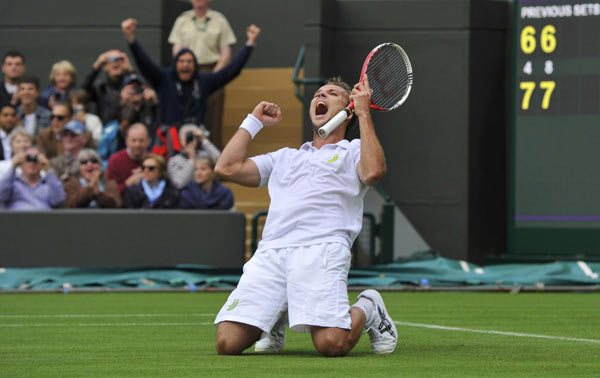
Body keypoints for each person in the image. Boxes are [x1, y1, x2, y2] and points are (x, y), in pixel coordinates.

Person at [213, 76, 397, 357]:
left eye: (333, 93)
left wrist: (363, 114)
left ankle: (370, 307)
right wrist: (254, 121)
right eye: (318, 93)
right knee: (227, 343)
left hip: (322, 249)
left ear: (347, 109)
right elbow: (226, 168)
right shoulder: (284, 157)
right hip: (272, 253)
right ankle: (275, 315)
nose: (321, 96)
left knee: (331, 345)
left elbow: (373, 173)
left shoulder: (354, 150)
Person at [121, 18, 260, 130]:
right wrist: (131, 39)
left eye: (189, 62)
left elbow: (231, 71)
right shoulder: (164, 79)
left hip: (195, 136)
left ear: (195, 66)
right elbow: (144, 63)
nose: (185, 65)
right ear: (175, 64)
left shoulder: (203, 82)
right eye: (181, 61)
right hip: (167, 136)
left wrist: (250, 44)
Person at [168, 0, 238, 148]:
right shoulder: (182, 20)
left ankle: (213, 160)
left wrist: (213, 78)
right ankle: (183, 153)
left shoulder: (219, 20)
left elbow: (225, 53)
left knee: (213, 117)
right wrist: (182, 69)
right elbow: (176, 50)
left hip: (212, 71)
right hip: (187, 72)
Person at [0, 145, 65, 210]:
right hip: (16, 219)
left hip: (43, 219)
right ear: (21, 162)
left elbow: (58, 200)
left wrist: (48, 170)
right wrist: (13, 167)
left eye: (35, 160)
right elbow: (1, 196)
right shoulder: (12, 184)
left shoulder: (48, 184)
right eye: (28, 159)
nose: (32, 163)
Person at [81, 49, 134, 124]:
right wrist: (97, 66)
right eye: (112, 59)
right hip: (106, 130)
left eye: (119, 59)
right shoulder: (100, 87)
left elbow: (141, 88)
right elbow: (83, 90)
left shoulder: (130, 84)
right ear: (105, 66)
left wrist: (130, 69)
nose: (116, 62)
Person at [167, 124, 220, 189]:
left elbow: (221, 162)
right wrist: (191, 159)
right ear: (181, 140)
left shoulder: (204, 155)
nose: (190, 140)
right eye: (186, 137)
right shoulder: (174, 161)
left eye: (192, 137)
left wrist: (203, 140)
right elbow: (179, 184)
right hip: (186, 197)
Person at [106, 123, 150, 193]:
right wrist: (128, 183)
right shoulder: (115, 160)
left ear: (148, 142)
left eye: (141, 140)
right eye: (133, 140)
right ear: (126, 142)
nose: (137, 144)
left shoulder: (153, 160)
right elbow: (111, 194)